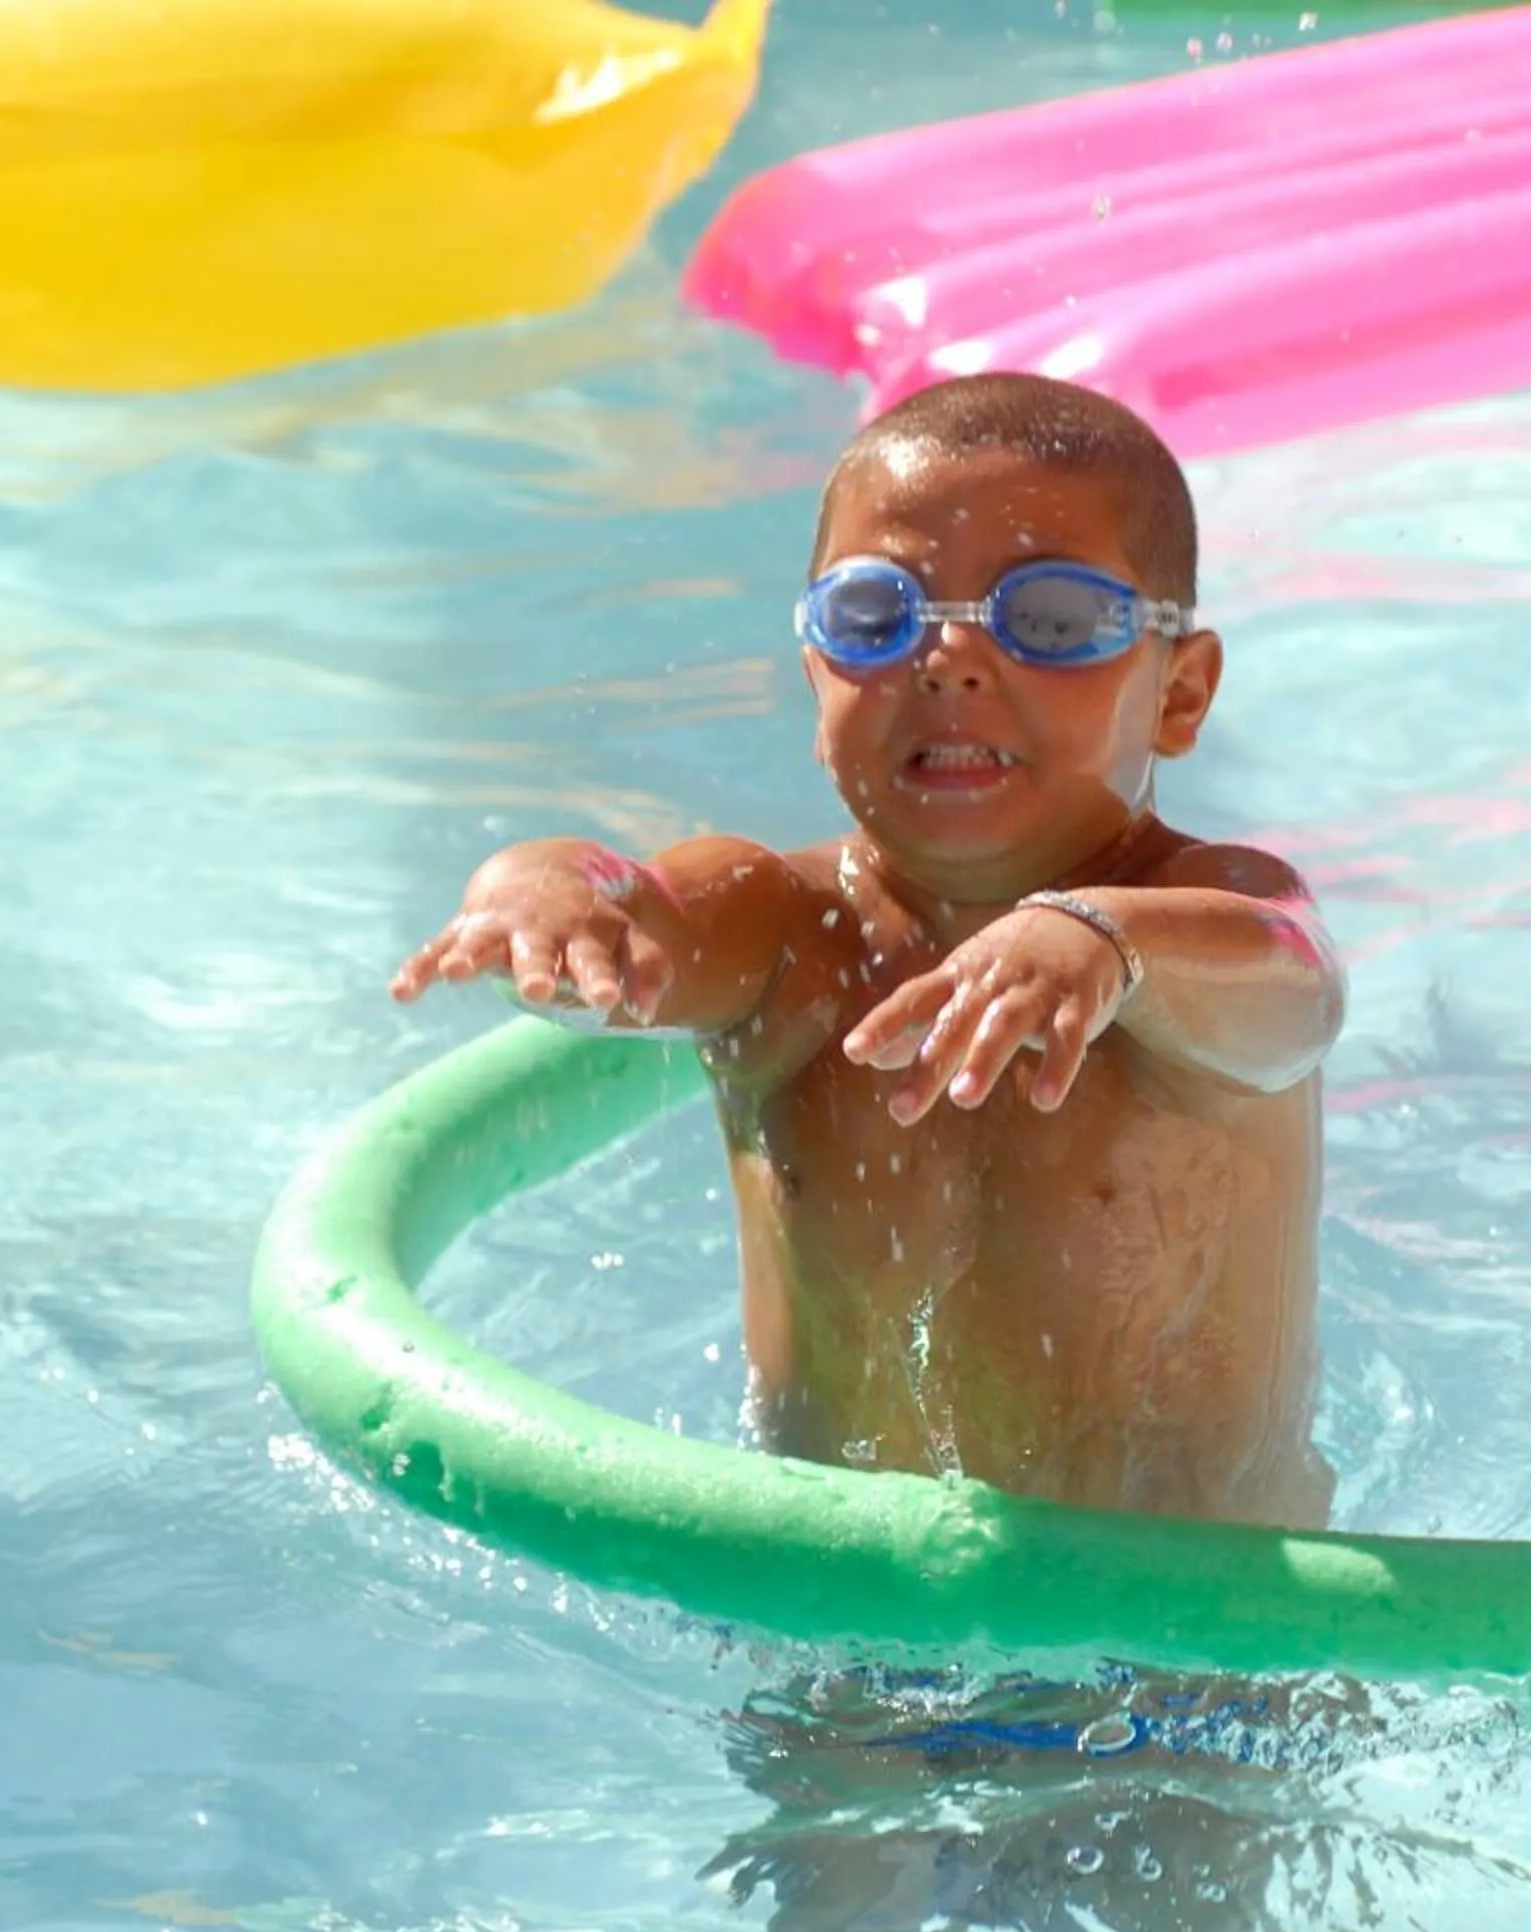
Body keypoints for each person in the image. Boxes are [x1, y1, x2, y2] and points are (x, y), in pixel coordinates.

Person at [391, 370, 1345, 1531]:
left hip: (1194, 1647)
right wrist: (536, 887)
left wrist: (1104, 940)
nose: (944, 661)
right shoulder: (784, 929)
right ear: (811, 670)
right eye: (873, 615)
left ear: (1180, 695)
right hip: (844, 1650)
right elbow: (632, 912)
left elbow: (1296, 982)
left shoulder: (1201, 912)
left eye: (1046, 618)